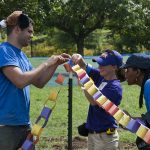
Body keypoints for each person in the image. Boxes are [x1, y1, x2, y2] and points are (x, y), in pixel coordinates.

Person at [0, 11, 70, 150]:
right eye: (29, 31)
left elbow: (39, 82)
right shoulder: (4, 51)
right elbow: (20, 81)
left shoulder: (22, 56)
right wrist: (46, 64)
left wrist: (54, 64)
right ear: (17, 29)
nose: (32, 35)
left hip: (24, 124)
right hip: (5, 127)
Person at [72, 49, 124, 150]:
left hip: (106, 138)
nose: (99, 66)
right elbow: (84, 66)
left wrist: (85, 83)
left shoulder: (115, 87)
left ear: (114, 67)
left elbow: (95, 102)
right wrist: (79, 59)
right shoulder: (101, 77)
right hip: (93, 134)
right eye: (99, 63)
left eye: (103, 64)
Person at [121, 53, 150, 150]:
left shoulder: (149, 84)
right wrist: (129, 122)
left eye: (127, 70)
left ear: (137, 72)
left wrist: (130, 121)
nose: (125, 74)